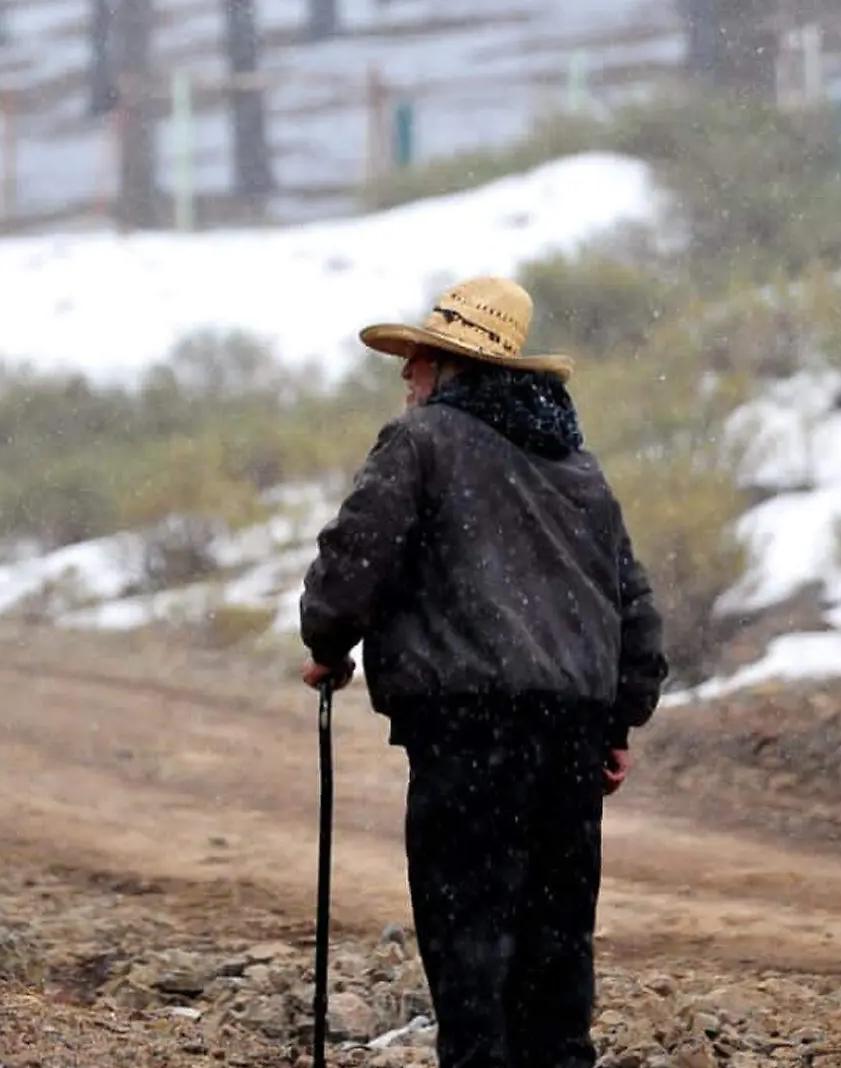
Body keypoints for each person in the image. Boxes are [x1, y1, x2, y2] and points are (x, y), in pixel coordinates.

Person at [298, 276, 669, 1068]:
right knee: (556, 945)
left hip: (469, 729)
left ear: (453, 370)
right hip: (570, 736)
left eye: (419, 361)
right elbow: (631, 604)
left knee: (471, 944)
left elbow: (355, 557)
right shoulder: (578, 466)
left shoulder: (423, 442)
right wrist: (618, 720)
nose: (406, 378)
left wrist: (328, 644)